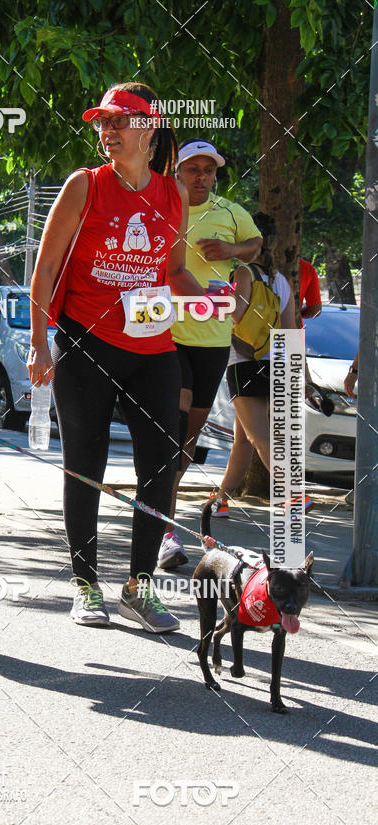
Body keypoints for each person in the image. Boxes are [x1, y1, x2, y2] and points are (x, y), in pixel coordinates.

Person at [28, 82, 206, 632]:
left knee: (160, 466)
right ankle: (86, 585)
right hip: (86, 345)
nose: (106, 132)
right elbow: (46, 269)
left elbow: (172, 271)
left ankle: (139, 587)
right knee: (87, 464)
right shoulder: (86, 186)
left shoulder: (171, 195)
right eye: (101, 123)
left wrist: (209, 294)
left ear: (149, 129)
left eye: (118, 121)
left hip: (153, 348)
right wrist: (39, 345)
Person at [158, 140, 262, 569]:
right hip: (166, 333)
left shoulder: (231, 212)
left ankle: (158, 509)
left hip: (214, 339)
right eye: (192, 169)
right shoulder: (162, 203)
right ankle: (164, 533)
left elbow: (254, 247)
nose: (201, 177)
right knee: (175, 420)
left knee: (187, 441)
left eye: (208, 170)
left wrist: (231, 252)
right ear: (177, 170)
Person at [206, 213, 313, 516]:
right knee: (243, 440)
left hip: (244, 362)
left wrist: (213, 298)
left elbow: (236, 314)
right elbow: (293, 331)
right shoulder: (281, 280)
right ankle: (220, 501)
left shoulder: (243, 273)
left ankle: (295, 494)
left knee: (258, 436)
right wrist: (300, 377)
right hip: (275, 362)